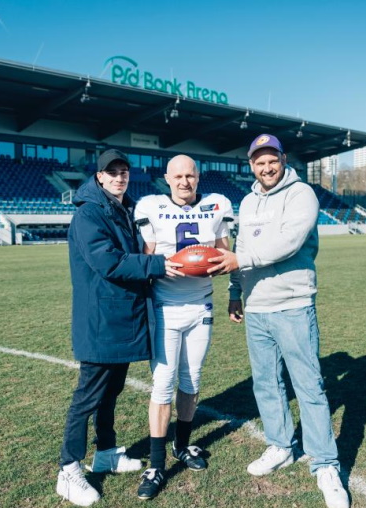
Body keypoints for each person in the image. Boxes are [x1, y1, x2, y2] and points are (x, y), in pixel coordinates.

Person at [207, 134, 350, 508]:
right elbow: (241, 247)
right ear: (251, 165)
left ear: (284, 160)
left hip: (292, 305)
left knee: (309, 386)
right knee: (266, 383)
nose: (267, 167)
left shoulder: (302, 194)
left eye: (273, 160)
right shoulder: (248, 201)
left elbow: (289, 242)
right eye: (260, 162)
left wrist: (241, 262)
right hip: (256, 307)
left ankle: (325, 464)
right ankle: (281, 446)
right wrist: (235, 291)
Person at [56, 149, 182, 507]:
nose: (119, 177)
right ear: (99, 177)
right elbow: (107, 261)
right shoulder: (89, 214)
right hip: (100, 319)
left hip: (122, 316)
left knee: (111, 392)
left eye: (124, 171)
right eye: (112, 172)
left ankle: (106, 453)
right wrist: (157, 265)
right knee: (88, 396)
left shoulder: (124, 208)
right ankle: (68, 469)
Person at [133, 154, 234, 500]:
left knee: (191, 380)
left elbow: (225, 255)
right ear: (167, 178)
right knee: (163, 384)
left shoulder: (217, 205)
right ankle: (156, 464)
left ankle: (181, 445)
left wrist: (216, 268)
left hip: (201, 305)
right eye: (177, 176)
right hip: (165, 307)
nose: (184, 181)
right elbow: (144, 258)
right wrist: (161, 265)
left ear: (198, 177)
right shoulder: (151, 206)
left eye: (190, 175)